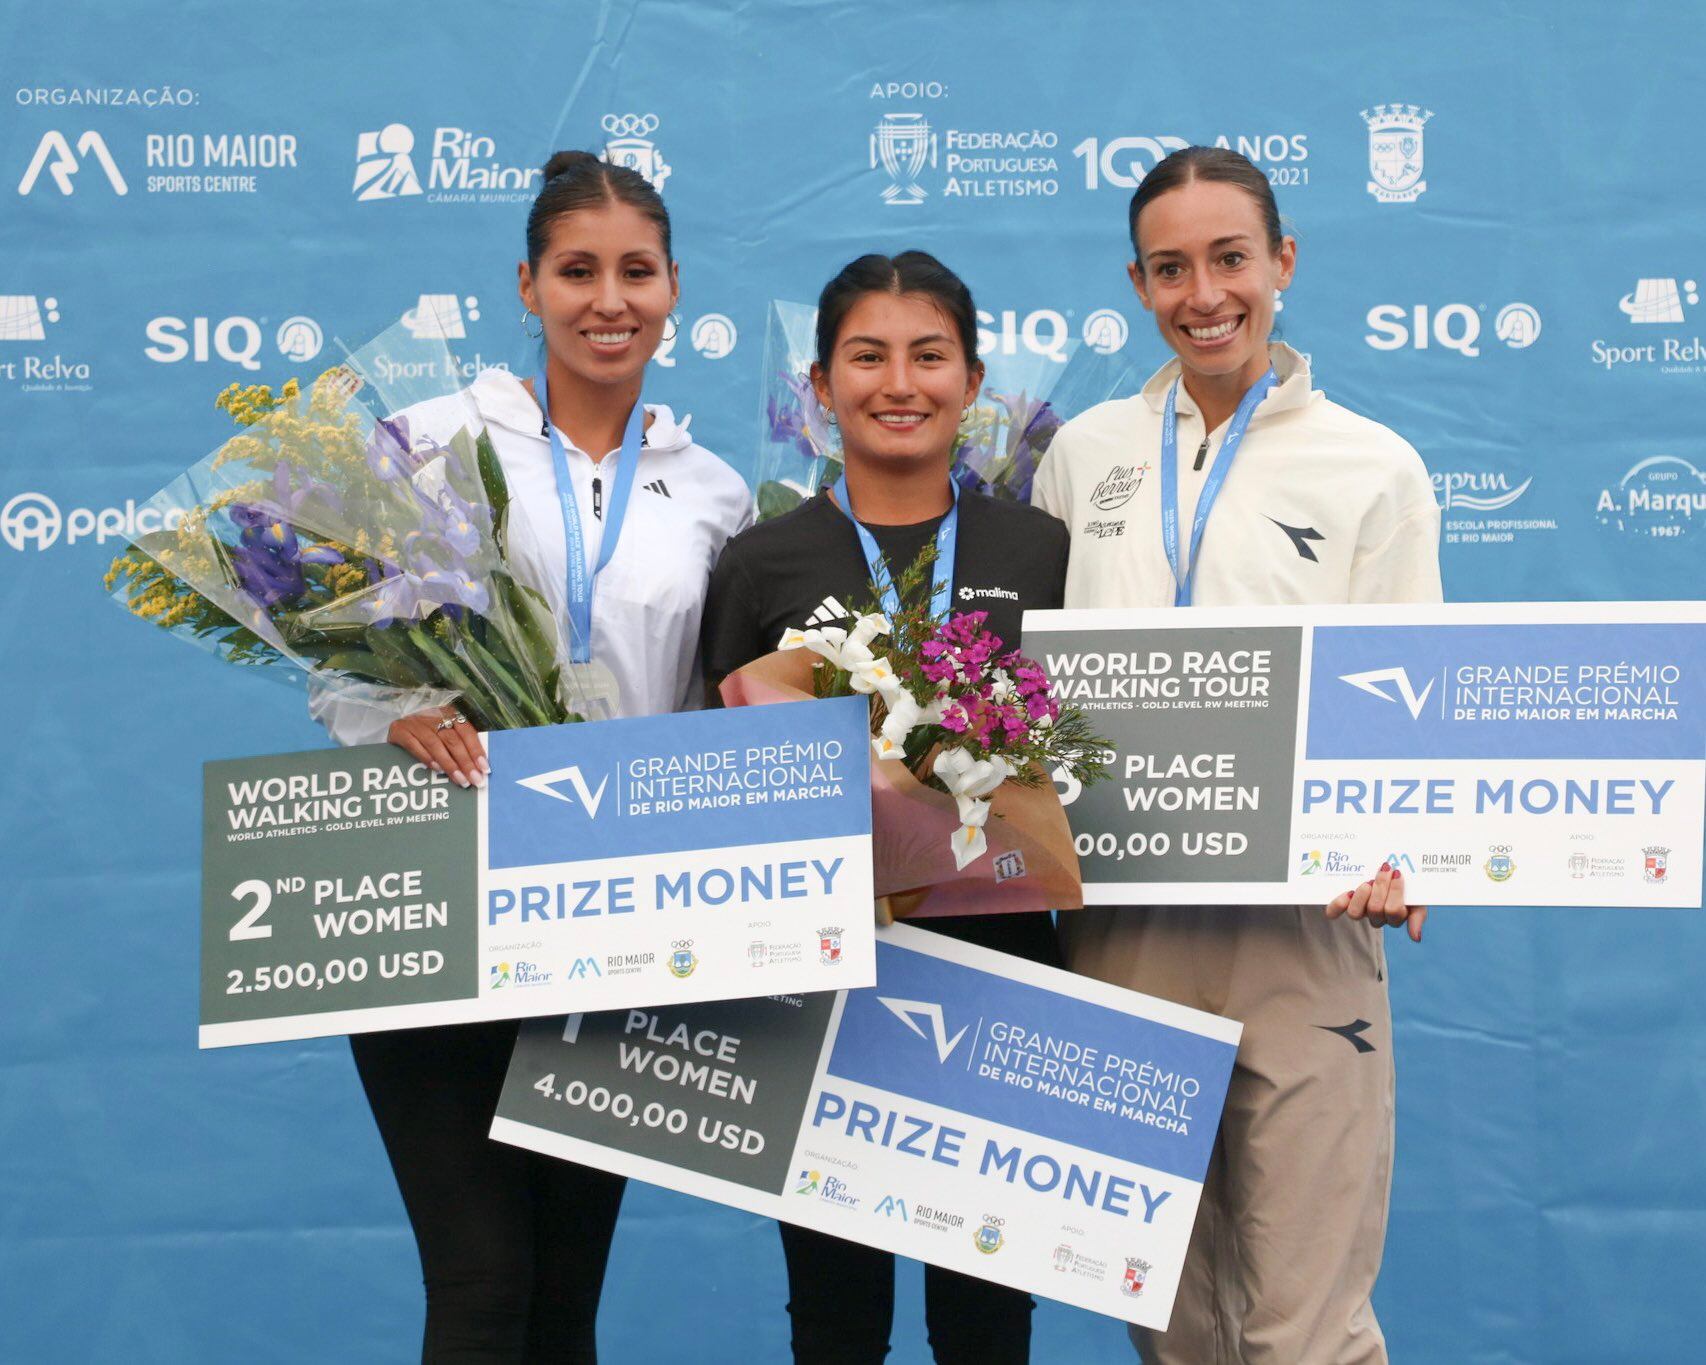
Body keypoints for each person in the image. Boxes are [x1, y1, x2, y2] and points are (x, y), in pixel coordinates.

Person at [310, 149, 753, 1362]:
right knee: (481, 1282)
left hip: (610, 921)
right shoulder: (430, 439)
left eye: (634, 272)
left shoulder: (715, 493)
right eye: (576, 271)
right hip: (443, 895)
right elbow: (333, 657)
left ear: (672, 289)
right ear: (526, 286)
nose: (607, 299)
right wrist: (381, 714)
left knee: (562, 1298)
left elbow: (718, 705)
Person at [1030, 146, 1439, 1365]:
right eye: (1169, 269)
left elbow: (1409, 702)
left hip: (1300, 929)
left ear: (1282, 264)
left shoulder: (1373, 466)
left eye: (1228, 260)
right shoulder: (1083, 452)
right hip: (1120, 928)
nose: (1202, 294)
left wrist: (1399, 851)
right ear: (1137, 283)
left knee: (1303, 1330)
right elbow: (1027, 686)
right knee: (1171, 1328)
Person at [700, 251, 1069, 1365]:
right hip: (824, 973)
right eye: (866, 356)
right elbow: (722, 772)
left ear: (974, 381)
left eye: (928, 355)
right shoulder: (761, 559)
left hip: (1007, 957)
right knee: (834, 1317)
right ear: (819, 383)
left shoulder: (1036, 549)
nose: (896, 382)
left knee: (988, 1316)